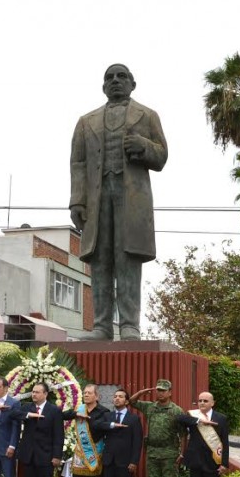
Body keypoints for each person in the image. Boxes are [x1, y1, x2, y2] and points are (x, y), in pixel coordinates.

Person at [69, 63, 168, 341]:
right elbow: (77, 163)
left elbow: (161, 156)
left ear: (132, 84)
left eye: (121, 76)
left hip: (131, 199)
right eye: (109, 77)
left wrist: (144, 146)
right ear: (103, 86)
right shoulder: (85, 121)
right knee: (100, 259)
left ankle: (129, 325)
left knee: (127, 259)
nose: (115, 80)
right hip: (96, 198)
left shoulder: (147, 116)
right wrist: (77, 200)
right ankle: (100, 326)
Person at [130, 379, 184, 477]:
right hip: (153, 452)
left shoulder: (176, 410)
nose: (160, 393)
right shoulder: (150, 408)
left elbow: (184, 434)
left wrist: (182, 453)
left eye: (163, 390)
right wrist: (141, 392)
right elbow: (132, 402)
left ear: (170, 392)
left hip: (169, 453)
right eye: (158, 390)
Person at [175, 392, 230, 477]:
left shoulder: (221, 418)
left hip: (213, 463)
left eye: (205, 400)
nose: (202, 403)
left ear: (212, 403)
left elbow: (224, 442)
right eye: (199, 400)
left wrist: (224, 464)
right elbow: (178, 418)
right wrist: (199, 421)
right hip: (196, 462)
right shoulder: (193, 416)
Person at [60, 383, 109, 477]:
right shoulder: (79, 409)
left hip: (95, 453)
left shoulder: (103, 411)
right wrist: (76, 414)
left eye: (89, 393)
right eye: (84, 392)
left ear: (96, 396)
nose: (86, 395)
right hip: (80, 455)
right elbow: (63, 415)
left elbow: (103, 427)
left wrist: (89, 420)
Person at [94, 389, 142, 477]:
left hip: (126, 462)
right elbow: (96, 425)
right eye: (115, 396)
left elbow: (137, 442)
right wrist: (112, 425)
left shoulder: (133, 418)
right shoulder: (108, 416)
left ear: (126, 401)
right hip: (109, 461)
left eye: (120, 397)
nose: (117, 399)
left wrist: (134, 461)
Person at [18, 383, 63, 477]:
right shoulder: (27, 408)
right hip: (29, 455)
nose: (34, 395)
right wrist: (28, 415)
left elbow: (58, 435)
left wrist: (57, 455)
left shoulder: (54, 410)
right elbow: (13, 414)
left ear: (45, 394)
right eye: (33, 392)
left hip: (46, 455)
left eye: (37, 392)